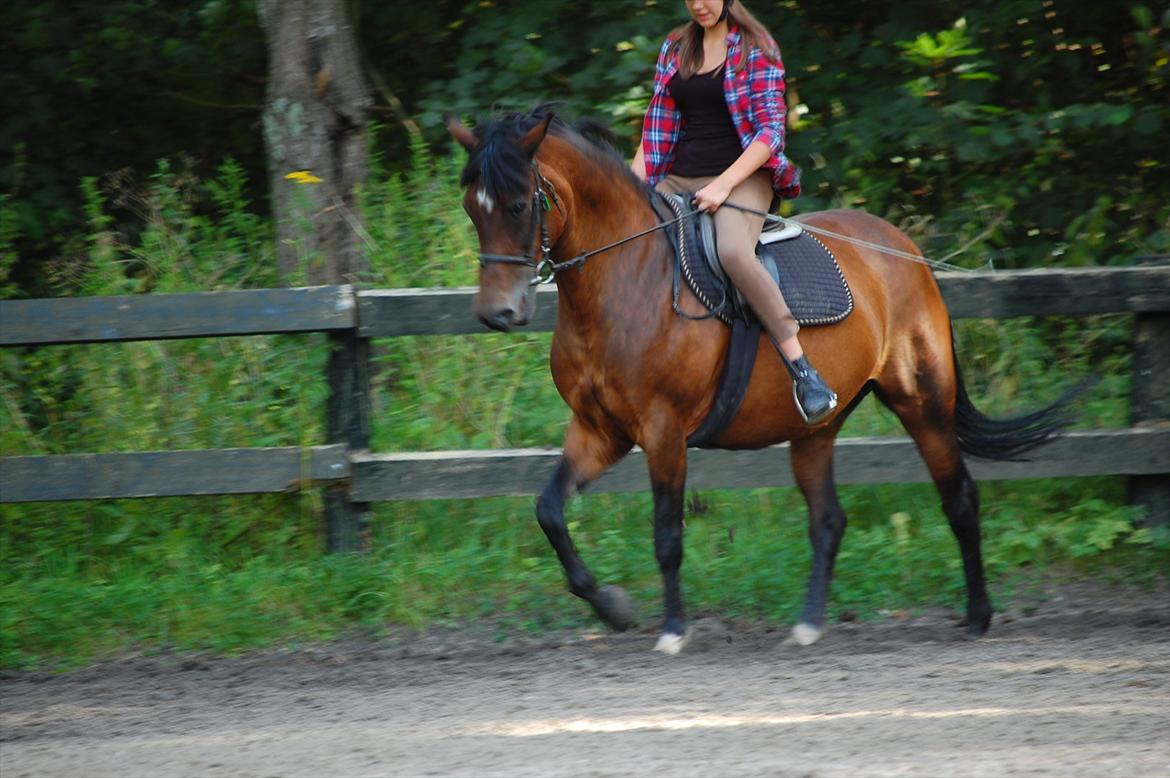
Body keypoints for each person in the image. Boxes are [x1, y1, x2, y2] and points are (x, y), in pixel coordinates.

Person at [632, 0, 837, 424]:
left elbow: (770, 133)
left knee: (732, 251)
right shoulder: (675, 46)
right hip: (681, 174)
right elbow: (656, 128)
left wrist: (724, 185)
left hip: (744, 175)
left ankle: (803, 369)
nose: (698, 4)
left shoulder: (756, 47)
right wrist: (632, 189)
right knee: (631, 236)